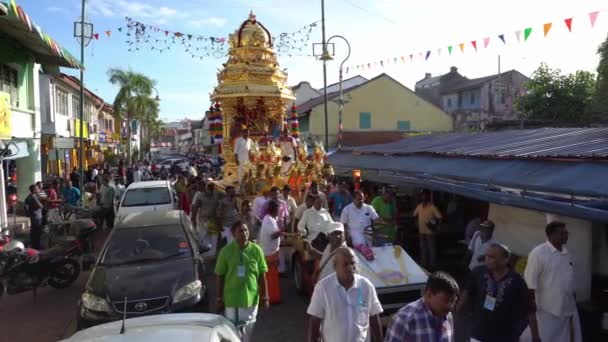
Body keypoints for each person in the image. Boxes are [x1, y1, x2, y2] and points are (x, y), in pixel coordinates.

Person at [456, 243, 530, 342]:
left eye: (492, 257)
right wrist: (456, 312)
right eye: (486, 256)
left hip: (505, 335)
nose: (487, 259)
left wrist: (518, 331)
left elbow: (526, 309)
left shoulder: (517, 281)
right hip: (479, 332)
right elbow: (466, 293)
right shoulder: (478, 272)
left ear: (505, 259)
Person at [307, 247, 383, 342]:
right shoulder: (323, 288)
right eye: (345, 264)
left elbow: (374, 318)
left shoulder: (366, 286)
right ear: (335, 266)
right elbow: (314, 322)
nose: (350, 267)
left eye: (352, 263)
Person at [523, 221, 582, 342]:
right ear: (551, 235)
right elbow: (529, 285)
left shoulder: (567, 254)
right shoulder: (538, 253)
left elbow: (568, 281)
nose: (566, 236)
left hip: (567, 311)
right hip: (546, 312)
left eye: (567, 233)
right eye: (563, 233)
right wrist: (531, 314)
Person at [215, 221, 268, 342]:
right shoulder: (226, 252)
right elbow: (219, 275)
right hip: (232, 300)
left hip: (251, 300)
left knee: (248, 333)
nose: (244, 233)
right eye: (240, 231)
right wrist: (218, 298)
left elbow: (262, 275)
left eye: (246, 230)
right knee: (233, 336)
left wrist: (265, 297)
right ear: (233, 234)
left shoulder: (256, 250)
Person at [385, 271, 458, 342]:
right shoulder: (405, 320)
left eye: (453, 301)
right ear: (429, 294)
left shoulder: (448, 316)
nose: (450, 306)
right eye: (446, 300)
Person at [259, 201, 283, 304]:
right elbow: (273, 235)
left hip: (273, 251)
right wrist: (282, 231)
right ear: (273, 209)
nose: (279, 211)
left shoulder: (272, 219)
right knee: (269, 278)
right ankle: (269, 298)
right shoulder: (267, 219)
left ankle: (273, 297)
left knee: (273, 277)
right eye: (278, 209)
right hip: (268, 253)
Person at [413, 189, 442, 269]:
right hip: (421, 231)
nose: (424, 196)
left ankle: (432, 266)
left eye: (425, 195)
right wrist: (416, 224)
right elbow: (414, 215)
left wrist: (437, 226)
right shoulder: (419, 206)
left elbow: (439, 217)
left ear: (428, 196)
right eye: (422, 195)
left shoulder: (432, 206)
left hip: (430, 231)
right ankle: (424, 264)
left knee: (431, 249)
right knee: (423, 248)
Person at [191, 181, 221, 256]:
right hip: (203, 221)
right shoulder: (199, 195)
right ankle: (207, 255)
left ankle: (212, 255)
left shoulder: (216, 194)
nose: (199, 188)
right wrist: (193, 219)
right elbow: (195, 207)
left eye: (200, 187)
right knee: (204, 237)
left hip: (213, 220)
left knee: (214, 238)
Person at [24, 184, 44, 250]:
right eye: (37, 188)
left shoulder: (29, 197)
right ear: (34, 190)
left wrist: (28, 213)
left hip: (33, 216)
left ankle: (34, 245)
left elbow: (25, 206)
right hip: (37, 216)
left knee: (33, 232)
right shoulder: (33, 197)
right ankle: (36, 247)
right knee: (37, 232)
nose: (38, 189)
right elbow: (40, 206)